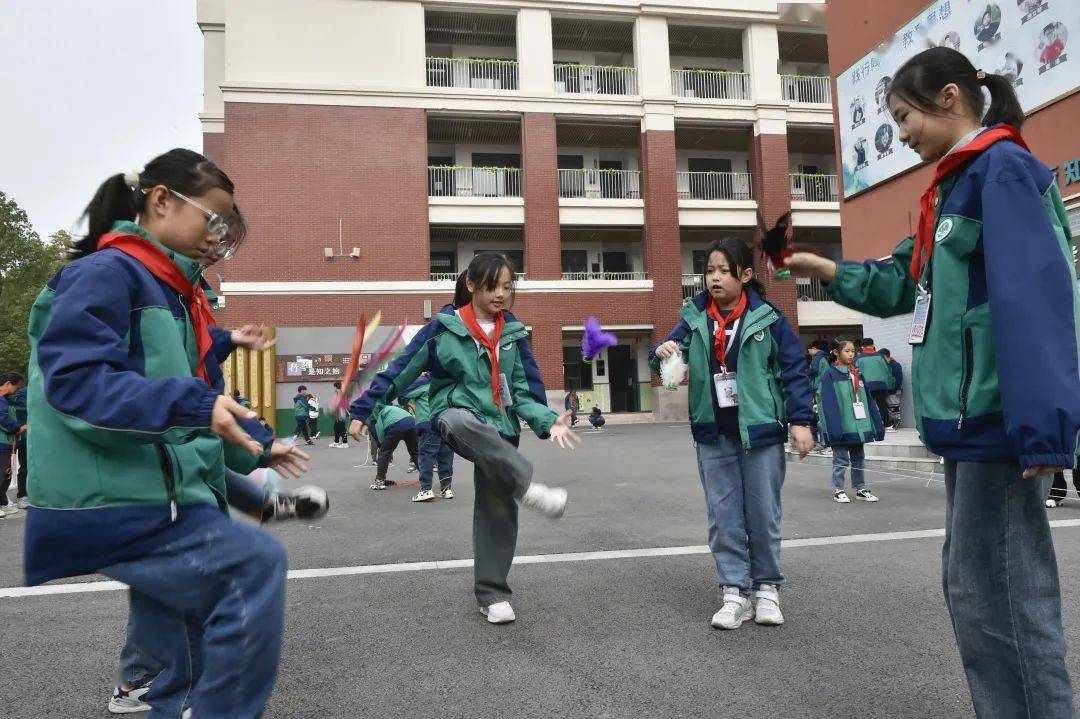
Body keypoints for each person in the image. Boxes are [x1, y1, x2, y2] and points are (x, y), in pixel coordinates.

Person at [785, 46, 1080, 717]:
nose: (901, 133)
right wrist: (828, 271)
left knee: (1002, 597)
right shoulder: (954, 187)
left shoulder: (999, 171)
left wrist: (1042, 431)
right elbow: (902, 281)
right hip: (973, 423)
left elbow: (1034, 301)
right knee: (980, 591)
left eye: (903, 116)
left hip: (1000, 423)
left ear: (950, 96)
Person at [24, 148, 310, 718]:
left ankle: (163, 694)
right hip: (117, 498)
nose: (219, 238)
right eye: (214, 220)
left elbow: (196, 396)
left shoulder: (175, 294)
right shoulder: (106, 274)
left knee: (195, 632)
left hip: (174, 495)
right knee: (249, 572)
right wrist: (202, 407)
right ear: (161, 201)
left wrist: (255, 437)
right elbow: (78, 384)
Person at [349, 252, 579, 624]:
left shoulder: (514, 335)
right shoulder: (443, 330)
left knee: (496, 511)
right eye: (492, 286)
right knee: (459, 420)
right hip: (454, 417)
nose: (501, 295)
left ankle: (492, 595)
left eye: (507, 287)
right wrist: (362, 410)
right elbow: (400, 372)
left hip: (500, 430)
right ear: (471, 285)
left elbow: (523, 390)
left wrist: (548, 420)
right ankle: (526, 486)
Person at [651, 236, 814, 631]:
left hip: (760, 432)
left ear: (745, 275)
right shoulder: (693, 317)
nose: (715, 279)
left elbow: (793, 371)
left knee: (763, 513)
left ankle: (767, 590)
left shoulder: (770, 319)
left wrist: (801, 420)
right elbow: (670, 363)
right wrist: (664, 357)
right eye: (709, 271)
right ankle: (734, 592)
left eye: (724, 271)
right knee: (723, 515)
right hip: (713, 433)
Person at [818, 339, 884, 503]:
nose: (850, 354)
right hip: (841, 424)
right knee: (840, 458)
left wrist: (875, 423)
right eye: (847, 351)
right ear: (837, 353)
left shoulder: (857, 373)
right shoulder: (830, 375)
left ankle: (860, 488)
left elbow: (867, 400)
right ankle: (838, 489)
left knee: (858, 457)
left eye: (853, 351)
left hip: (858, 424)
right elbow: (827, 403)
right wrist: (833, 427)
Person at [403, 373, 455, 502]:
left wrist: (420, 378)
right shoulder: (448, 385)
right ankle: (446, 489)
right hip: (446, 424)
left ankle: (426, 489)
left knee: (426, 457)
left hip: (428, 424)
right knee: (445, 458)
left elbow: (403, 394)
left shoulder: (423, 385)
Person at [367, 402, 420, 491]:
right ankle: (426, 479)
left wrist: (382, 447)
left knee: (384, 452)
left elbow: (378, 434)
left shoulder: (375, 415)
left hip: (397, 424)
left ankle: (379, 481)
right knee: (415, 452)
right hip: (411, 421)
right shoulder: (390, 408)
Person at [0, 372, 26, 517]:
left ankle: (3, 502)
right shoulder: (1, 399)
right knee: (4, 474)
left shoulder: (5, 399)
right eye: (17, 387)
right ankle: (3, 502)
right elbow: (2, 417)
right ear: (8, 383)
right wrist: (18, 428)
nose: (17, 391)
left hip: (4, 441)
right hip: (2, 441)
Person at [854, 338, 895, 429]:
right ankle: (887, 425)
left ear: (862, 347)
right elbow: (888, 371)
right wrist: (890, 385)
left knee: (868, 405)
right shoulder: (880, 356)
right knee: (882, 405)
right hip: (881, 385)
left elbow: (854, 373)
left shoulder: (858, 358)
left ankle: (871, 425)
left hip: (867, 386)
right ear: (873, 345)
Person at [880, 348, 904, 430]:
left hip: (893, 390)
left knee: (894, 406)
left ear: (886, 356)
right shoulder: (884, 365)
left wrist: (898, 388)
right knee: (888, 407)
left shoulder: (895, 365)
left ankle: (897, 421)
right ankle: (890, 422)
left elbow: (899, 377)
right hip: (885, 390)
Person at [330, 380, 350, 448]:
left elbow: (340, 404)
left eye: (334, 387)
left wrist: (340, 414)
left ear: (336, 387)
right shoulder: (340, 392)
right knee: (336, 427)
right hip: (339, 412)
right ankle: (336, 442)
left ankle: (345, 443)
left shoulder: (340, 392)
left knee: (341, 428)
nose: (334, 389)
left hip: (341, 412)